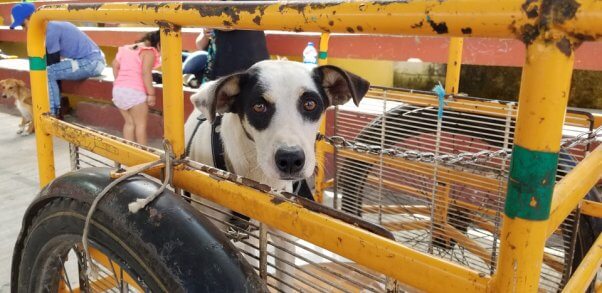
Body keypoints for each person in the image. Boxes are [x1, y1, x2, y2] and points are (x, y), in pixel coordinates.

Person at [10, 3, 106, 117]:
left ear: (32, 18)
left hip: (92, 62)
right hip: (90, 61)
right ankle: (57, 108)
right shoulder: (50, 27)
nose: (24, 30)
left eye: (23, 25)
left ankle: (53, 114)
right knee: (50, 71)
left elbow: (52, 64)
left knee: (48, 72)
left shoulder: (51, 30)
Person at [112, 31, 161, 146]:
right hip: (135, 92)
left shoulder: (125, 49)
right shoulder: (149, 52)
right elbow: (146, 73)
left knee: (129, 123)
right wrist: (151, 94)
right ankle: (143, 156)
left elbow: (115, 65)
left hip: (118, 90)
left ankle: (129, 154)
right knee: (140, 125)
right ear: (158, 44)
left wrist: (119, 82)